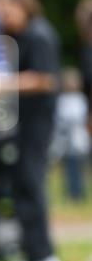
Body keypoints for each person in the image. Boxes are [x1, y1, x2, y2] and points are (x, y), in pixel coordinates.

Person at [0, 0, 61, 261]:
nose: (2, 16)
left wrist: (3, 85)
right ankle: (31, 254)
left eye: (6, 9)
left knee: (32, 182)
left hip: (38, 122)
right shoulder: (14, 37)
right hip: (20, 121)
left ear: (22, 4)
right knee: (19, 184)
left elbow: (46, 78)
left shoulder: (39, 34)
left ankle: (45, 256)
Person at [53, 68, 89, 200]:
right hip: (65, 141)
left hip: (77, 139)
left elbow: (78, 117)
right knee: (68, 168)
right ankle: (71, 192)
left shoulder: (80, 98)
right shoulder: (62, 99)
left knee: (79, 168)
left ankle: (79, 192)